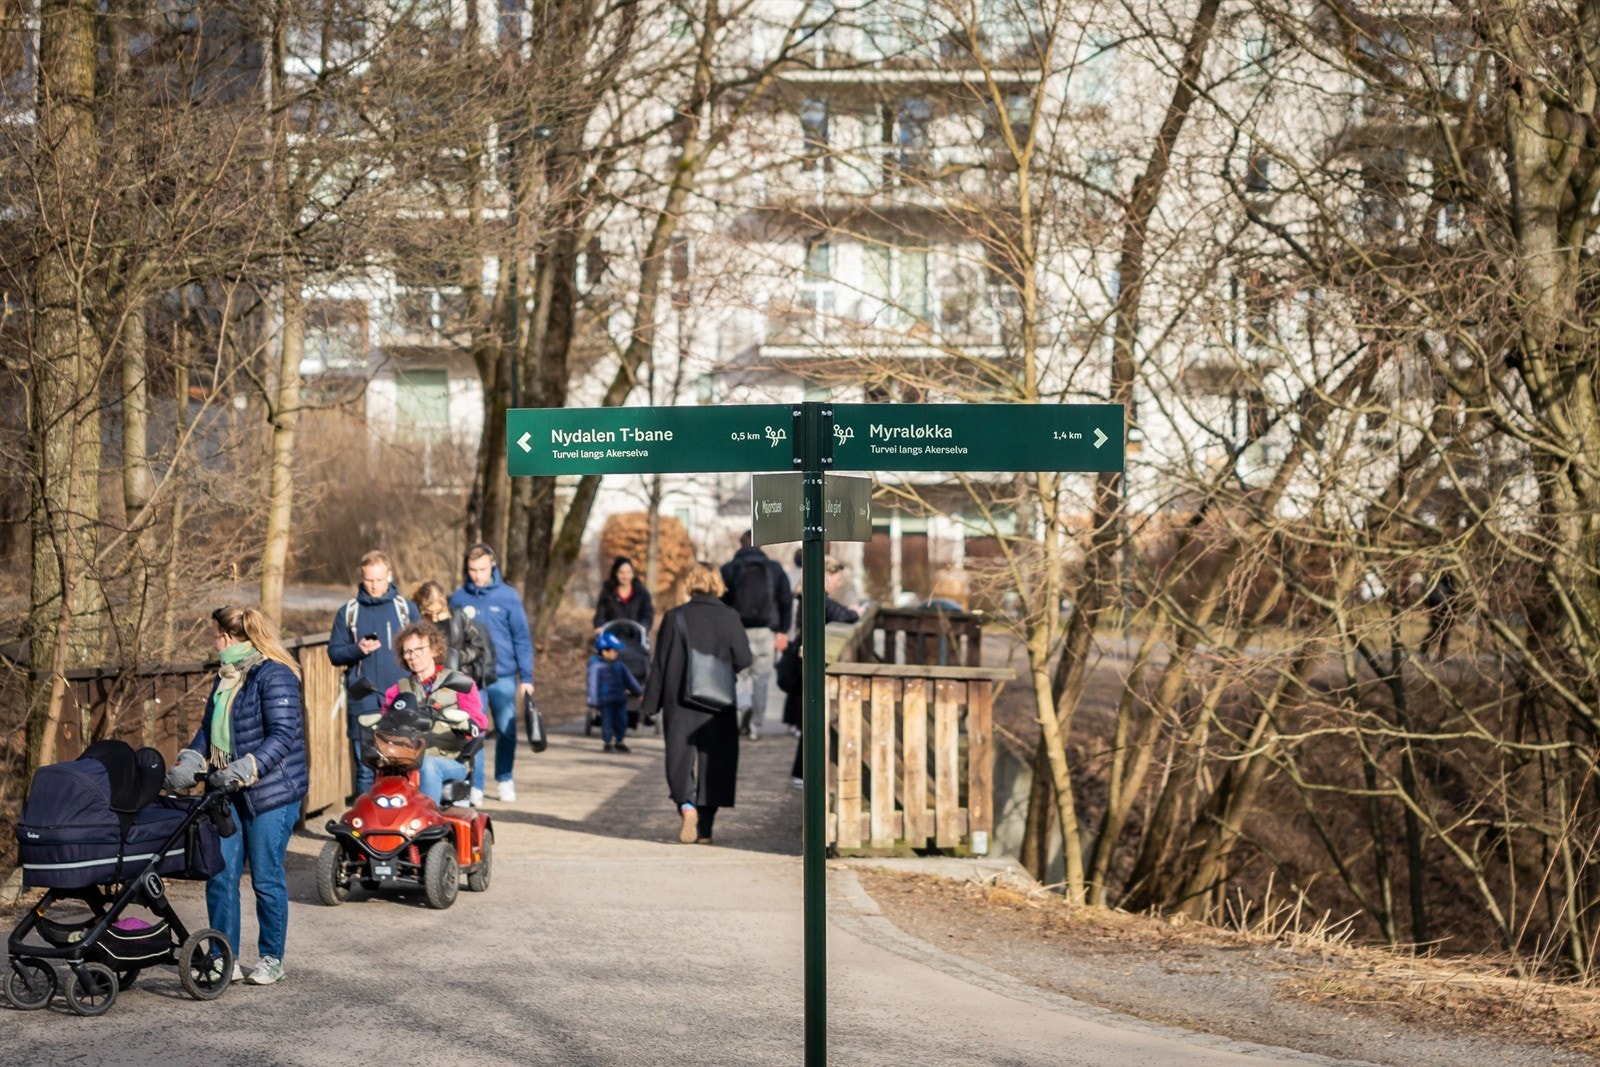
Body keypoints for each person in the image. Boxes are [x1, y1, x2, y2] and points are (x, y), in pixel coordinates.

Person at [165, 605, 308, 987]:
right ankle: (221, 956)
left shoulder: (274, 674)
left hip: (271, 792)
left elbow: (283, 735)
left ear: (228, 638)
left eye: (215, 635)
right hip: (227, 788)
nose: (214, 643)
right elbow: (209, 728)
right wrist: (192, 758)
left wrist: (248, 767)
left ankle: (271, 957)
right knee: (221, 875)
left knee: (265, 877)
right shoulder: (226, 676)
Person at [642, 562, 753, 845]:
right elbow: (744, 659)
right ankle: (705, 831)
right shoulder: (730, 617)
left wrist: (650, 705)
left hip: (679, 700)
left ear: (690, 584)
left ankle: (686, 806)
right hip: (718, 702)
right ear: (717, 584)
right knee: (716, 761)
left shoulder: (674, 616)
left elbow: (661, 664)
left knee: (679, 759)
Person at [327, 551, 418, 797]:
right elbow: (334, 654)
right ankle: (363, 827)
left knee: (402, 762)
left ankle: (400, 823)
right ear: (362, 578)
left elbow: (423, 650)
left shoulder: (405, 609)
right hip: (363, 697)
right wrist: (357, 649)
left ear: (389, 575)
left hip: (401, 695)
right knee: (365, 766)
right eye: (369, 580)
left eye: (379, 579)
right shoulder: (349, 611)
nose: (374, 585)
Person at [449, 543, 535, 803]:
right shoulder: (458, 598)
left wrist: (527, 678)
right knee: (474, 730)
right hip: (472, 677)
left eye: (483, 569)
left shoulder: (508, 596)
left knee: (507, 729)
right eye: (473, 570)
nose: (477, 575)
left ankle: (505, 778)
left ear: (492, 566)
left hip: (504, 675)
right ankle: (475, 784)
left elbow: (522, 637)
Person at [378, 621, 487, 804]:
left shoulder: (459, 684)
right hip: (407, 760)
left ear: (435, 650)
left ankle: (429, 821)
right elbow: (384, 725)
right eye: (408, 652)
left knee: (428, 764)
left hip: (450, 760)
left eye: (419, 649)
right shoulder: (396, 690)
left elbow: (479, 723)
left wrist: (465, 725)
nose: (413, 656)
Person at [783, 557, 863, 788]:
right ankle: (802, 773)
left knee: (811, 718)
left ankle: (802, 772)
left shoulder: (810, 596)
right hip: (807, 665)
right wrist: (854, 612)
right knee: (813, 718)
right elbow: (845, 615)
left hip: (803, 662)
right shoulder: (816, 597)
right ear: (825, 576)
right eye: (836, 578)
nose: (838, 584)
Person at [720, 531, 792, 741]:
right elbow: (785, 600)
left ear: (740, 544)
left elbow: (721, 603)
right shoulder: (774, 569)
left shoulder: (728, 569)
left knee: (737, 677)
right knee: (761, 681)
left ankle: (739, 712)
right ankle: (754, 727)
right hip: (766, 632)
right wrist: (782, 631)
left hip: (737, 631)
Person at [588, 632, 643, 753]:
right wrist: (593, 702)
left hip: (620, 699)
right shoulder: (596, 667)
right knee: (607, 722)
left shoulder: (620, 665)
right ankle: (607, 742)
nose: (616, 653)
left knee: (622, 721)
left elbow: (630, 680)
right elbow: (592, 685)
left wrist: (639, 692)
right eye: (614, 651)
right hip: (605, 701)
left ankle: (619, 741)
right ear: (604, 651)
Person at [593, 555, 654, 634]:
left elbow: (647, 614)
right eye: (621, 572)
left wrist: (644, 625)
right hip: (612, 638)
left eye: (628, 572)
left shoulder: (642, 593)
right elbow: (600, 614)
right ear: (615, 573)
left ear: (633, 573)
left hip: (636, 637)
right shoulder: (607, 593)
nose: (625, 576)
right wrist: (599, 626)